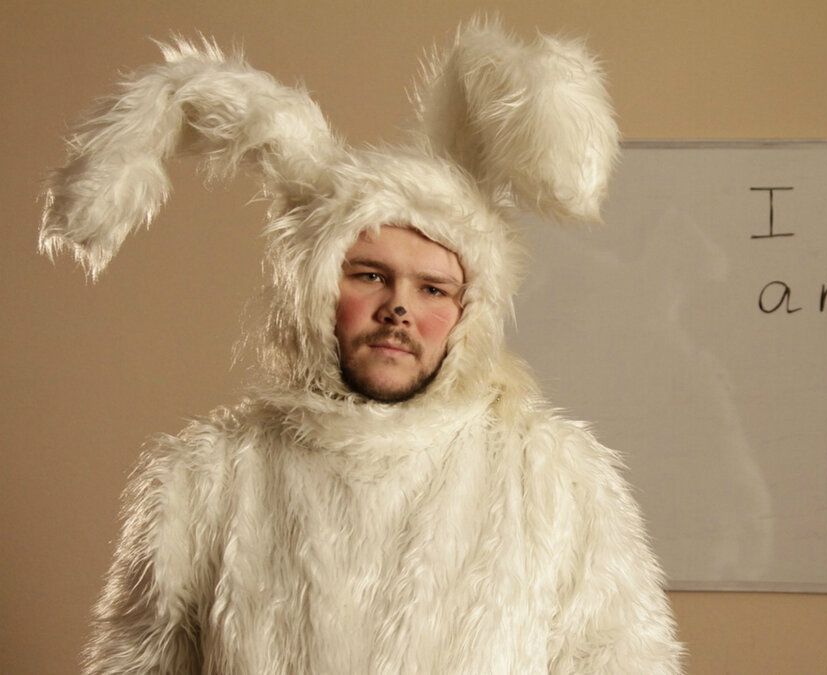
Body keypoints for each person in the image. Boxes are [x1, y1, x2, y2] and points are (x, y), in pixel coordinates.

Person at [40, 19, 683, 674]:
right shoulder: (207, 480)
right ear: (316, 291)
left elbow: (623, 659)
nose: (399, 308)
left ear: (468, 312)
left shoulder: (552, 477)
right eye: (371, 276)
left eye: (432, 288)